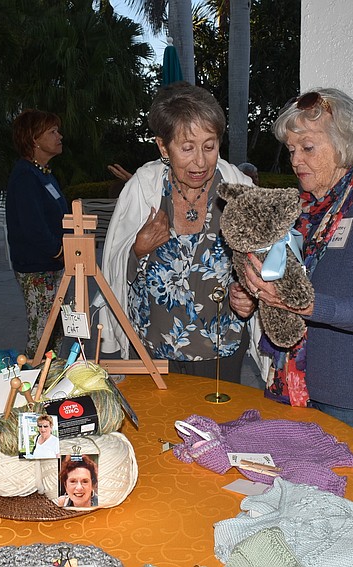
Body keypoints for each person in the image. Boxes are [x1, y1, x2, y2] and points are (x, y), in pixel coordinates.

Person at [234, 88, 353, 444]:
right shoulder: (308, 210)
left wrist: (301, 305)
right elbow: (290, 279)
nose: (296, 160)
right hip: (308, 380)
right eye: (291, 150)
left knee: (348, 483)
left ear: (344, 144)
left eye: (307, 147)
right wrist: (252, 294)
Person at [99, 82, 265, 381]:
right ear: (163, 147)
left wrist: (251, 296)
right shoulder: (144, 188)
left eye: (209, 146)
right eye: (187, 148)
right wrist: (136, 250)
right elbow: (113, 264)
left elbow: (266, 266)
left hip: (220, 349)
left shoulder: (239, 191)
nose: (200, 161)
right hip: (152, 349)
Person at [5, 109, 70, 358]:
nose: (59, 136)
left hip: (53, 265)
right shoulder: (25, 176)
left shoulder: (43, 173)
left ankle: (49, 375)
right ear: (34, 139)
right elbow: (33, 226)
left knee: (55, 331)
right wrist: (58, 250)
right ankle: (33, 377)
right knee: (42, 334)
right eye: (52, 132)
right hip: (37, 268)